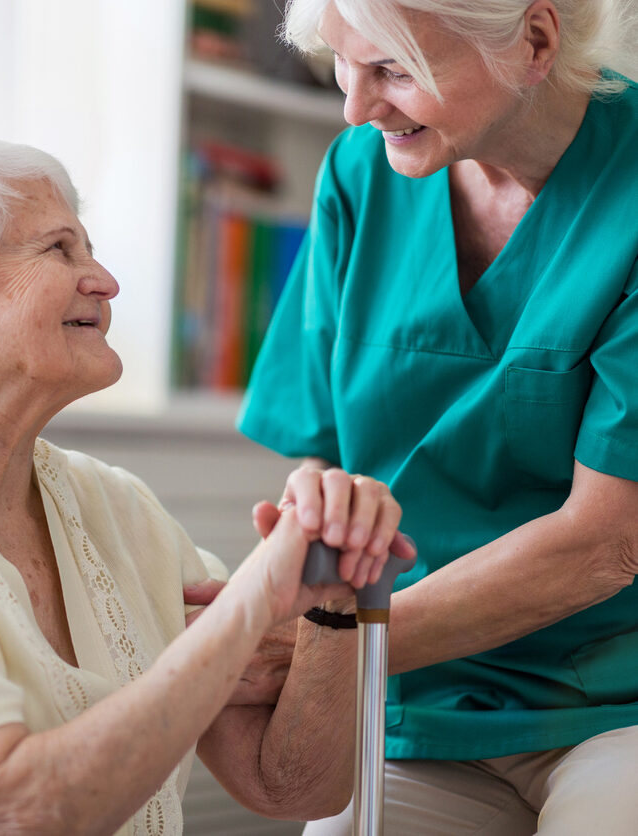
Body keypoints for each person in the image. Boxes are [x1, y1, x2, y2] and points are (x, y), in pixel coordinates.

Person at [0, 136, 414, 835]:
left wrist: (332, 597)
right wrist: (255, 599)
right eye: (59, 250)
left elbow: (292, 788)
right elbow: (12, 813)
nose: (105, 281)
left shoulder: (119, 508)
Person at [236, 0, 638, 831]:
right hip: (410, 697)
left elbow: (606, 542)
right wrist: (310, 555)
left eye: (393, 69)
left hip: (612, 699)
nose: (355, 107)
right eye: (344, 66)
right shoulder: (358, 172)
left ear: (532, 42)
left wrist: (330, 639)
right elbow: (318, 461)